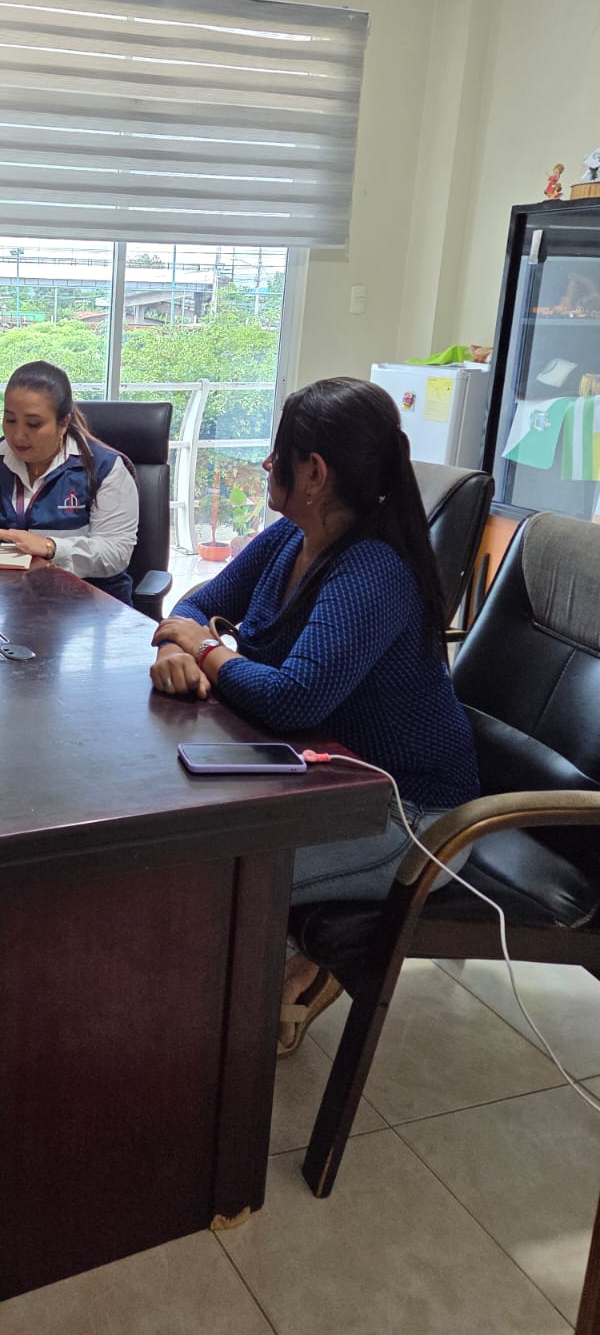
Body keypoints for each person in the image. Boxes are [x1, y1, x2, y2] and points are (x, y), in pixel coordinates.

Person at [148, 377, 480, 1054]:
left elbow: (293, 697)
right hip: (318, 780)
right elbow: (195, 603)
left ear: (315, 472)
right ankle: (271, 983)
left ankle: (238, 1027)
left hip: (410, 816)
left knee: (204, 877)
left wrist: (205, 649)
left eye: (279, 453)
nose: (268, 464)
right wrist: (180, 647)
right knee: (171, 830)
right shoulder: (288, 539)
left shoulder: (372, 570)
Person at [0, 360, 139, 603]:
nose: (18, 435)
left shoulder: (103, 468)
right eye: (10, 420)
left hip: (87, 606)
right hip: (5, 601)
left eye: (33, 424)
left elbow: (116, 551)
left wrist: (51, 547)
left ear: (63, 422)